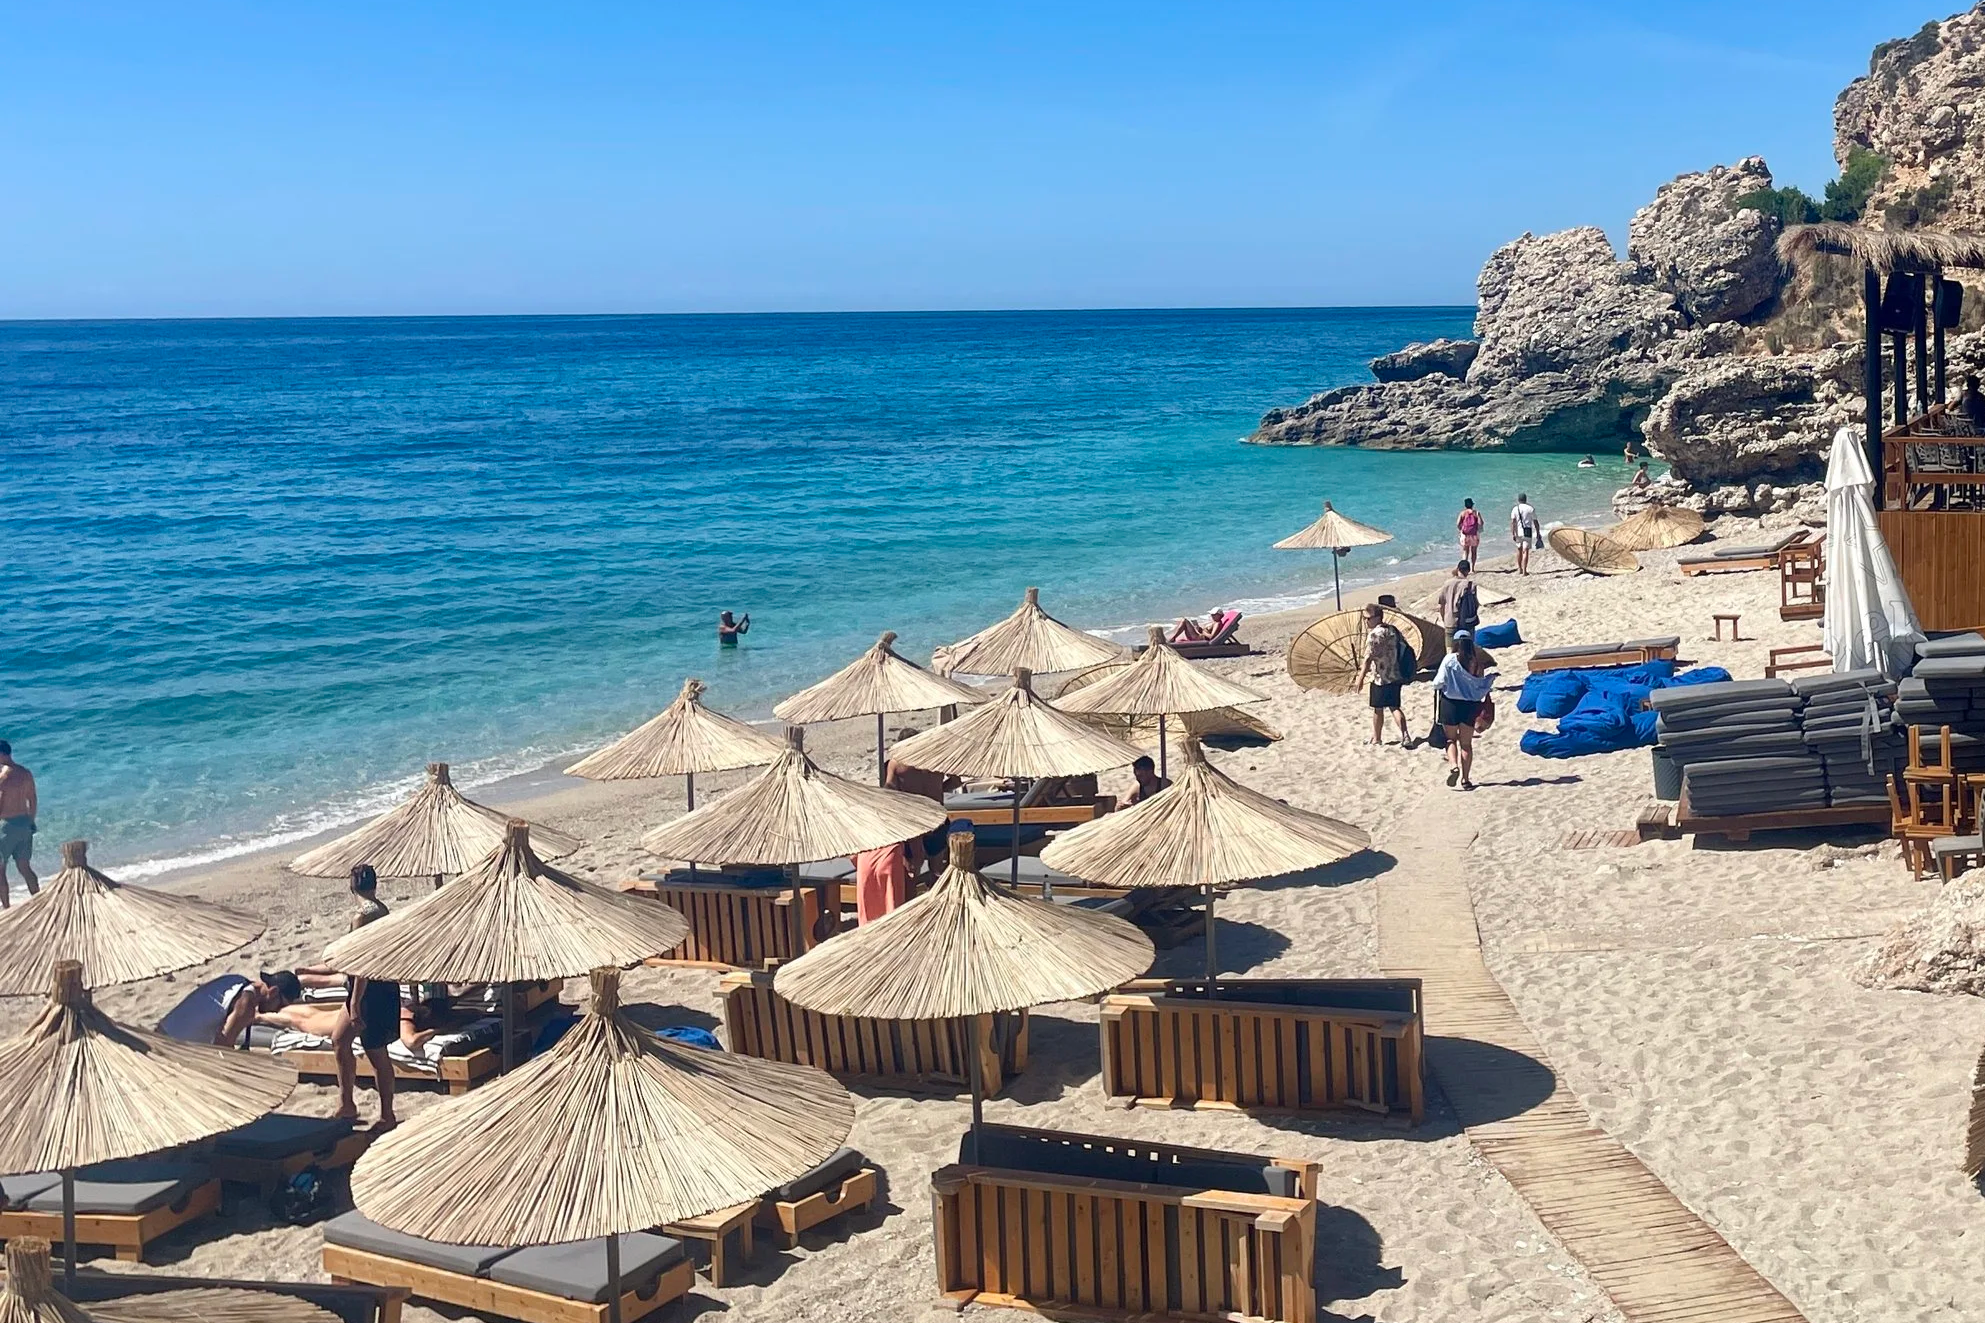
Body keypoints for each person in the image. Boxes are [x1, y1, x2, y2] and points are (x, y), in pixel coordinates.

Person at [333, 864, 400, 1129]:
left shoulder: (364, 916)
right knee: (339, 1040)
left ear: (352, 885)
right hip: (374, 988)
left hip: (369, 992)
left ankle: (387, 1114)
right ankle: (346, 1103)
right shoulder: (381, 909)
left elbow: (363, 965)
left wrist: (355, 1001)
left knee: (376, 1053)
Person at [159, 969, 303, 1047]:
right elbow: (223, 1047)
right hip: (172, 1048)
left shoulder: (236, 980)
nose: (277, 1010)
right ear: (273, 992)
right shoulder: (245, 1006)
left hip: (162, 1031)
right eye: (281, 1004)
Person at [1433, 631, 1497, 791]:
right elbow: (1480, 685)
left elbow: (1438, 682)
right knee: (1466, 745)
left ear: (1455, 643)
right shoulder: (1476, 662)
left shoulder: (1449, 660)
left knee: (1450, 740)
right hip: (1469, 706)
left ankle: (1454, 765)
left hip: (1450, 704)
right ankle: (1466, 780)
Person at [1355, 604, 1409, 746]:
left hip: (1380, 677)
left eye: (1368, 618)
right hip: (1395, 673)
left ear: (1376, 618)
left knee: (1378, 709)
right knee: (1394, 707)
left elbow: (1368, 658)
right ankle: (1405, 735)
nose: (1366, 621)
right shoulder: (1392, 630)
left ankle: (1377, 738)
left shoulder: (1374, 635)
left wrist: (1360, 679)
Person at [0, 742, 37, 908]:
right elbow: (33, 799)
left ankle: (7, 909)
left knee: (1, 870)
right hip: (24, 823)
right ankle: (38, 901)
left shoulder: (3, 777)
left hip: (6, 826)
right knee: (24, 867)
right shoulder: (25, 773)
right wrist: (31, 821)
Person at [853, 841, 910, 924]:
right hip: (890, 850)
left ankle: (868, 933)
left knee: (867, 911)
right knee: (892, 903)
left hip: (865, 852)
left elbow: (852, 854)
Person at [1434, 560, 1479, 647]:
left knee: (1450, 651)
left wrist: (1444, 619)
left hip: (1450, 621)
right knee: (1467, 650)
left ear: (1458, 569)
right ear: (1468, 571)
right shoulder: (1471, 585)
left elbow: (1441, 605)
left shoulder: (1447, 584)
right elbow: (1475, 605)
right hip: (1467, 623)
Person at [1509, 493, 1539, 577]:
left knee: (1519, 549)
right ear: (1526, 499)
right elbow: (1535, 521)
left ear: (1518, 500)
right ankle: (1525, 571)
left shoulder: (1515, 509)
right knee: (1525, 551)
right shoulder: (1530, 508)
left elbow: (1513, 522)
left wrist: (1513, 533)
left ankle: (1519, 569)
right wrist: (1538, 532)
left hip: (1518, 531)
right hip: (1527, 531)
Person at [1456, 499, 1483, 565]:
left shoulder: (1462, 513)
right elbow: (1481, 523)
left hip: (1465, 534)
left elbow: (1458, 524)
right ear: (1472, 505)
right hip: (1474, 534)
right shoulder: (1476, 513)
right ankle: (1472, 569)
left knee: (1465, 551)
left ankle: (1464, 567)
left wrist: (1461, 530)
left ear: (1465, 505)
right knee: (1474, 551)